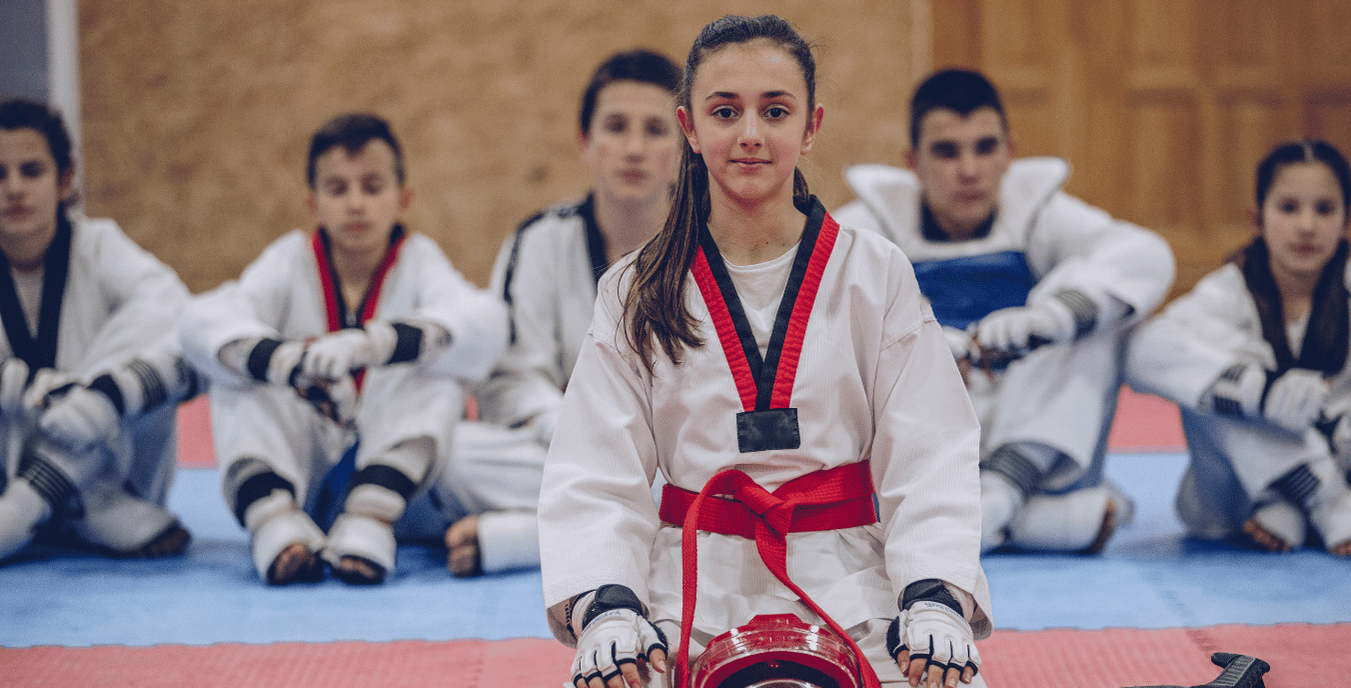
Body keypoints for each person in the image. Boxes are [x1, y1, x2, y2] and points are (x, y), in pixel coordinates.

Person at [539, 15, 990, 688]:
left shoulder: (873, 271)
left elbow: (930, 451)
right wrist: (608, 606)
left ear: (811, 128)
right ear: (689, 127)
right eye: (725, 111)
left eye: (774, 111)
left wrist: (932, 595)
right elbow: (594, 469)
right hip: (688, 590)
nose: (750, 134)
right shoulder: (635, 289)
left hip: (853, 582)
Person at [833, 68, 1175, 554]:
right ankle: (1032, 521)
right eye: (947, 151)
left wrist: (1050, 319)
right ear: (913, 162)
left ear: (1010, 153)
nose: (969, 170)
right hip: (926, 444)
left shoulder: (1038, 212)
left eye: (985, 148)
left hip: (1034, 430)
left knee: (1098, 313)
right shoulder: (868, 225)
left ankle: (995, 497)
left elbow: (1147, 255)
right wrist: (918, 339)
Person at [180, 113, 507, 585]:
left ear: (403, 199)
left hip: (397, 490)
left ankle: (369, 517)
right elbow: (200, 320)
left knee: (437, 369)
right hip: (300, 480)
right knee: (236, 370)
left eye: (372, 187)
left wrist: (378, 344)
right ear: (312, 203)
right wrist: (283, 362)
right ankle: (274, 522)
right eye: (337, 189)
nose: (356, 204)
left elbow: (486, 322)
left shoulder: (419, 262)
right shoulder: (289, 260)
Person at [439, 49, 682, 577]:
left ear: (685, 146)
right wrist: (578, 432)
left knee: (721, 479)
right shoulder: (538, 242)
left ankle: (524, 539)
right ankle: (632, 534)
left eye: (656, 130)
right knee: (448, 453)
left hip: (673, 462)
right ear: (585, 145)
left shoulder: (709, 252)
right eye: (616, 127)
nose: (635, 149)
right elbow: (508, 383)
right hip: (559, 448)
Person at [1127, 139, 1351, 557]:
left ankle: (1319, 494)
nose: (1307, 226)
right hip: (1240, 504)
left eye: (1325, 209)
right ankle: (1310, 491)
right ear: (1257, 218)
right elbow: (1143, 352)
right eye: (1289, 207)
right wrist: (1263, 391)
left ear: (1349, 219)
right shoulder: (1226, 294)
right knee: (1212, 383)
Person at [0, 98, 198, 562]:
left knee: (174, 334)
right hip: (8, 459)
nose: (14, 188)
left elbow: (178, 316)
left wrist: (93, 398)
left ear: (64, 180)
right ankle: (77, 506)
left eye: (31, 171)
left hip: (107, 463)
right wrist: (32, 388)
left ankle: (45, 497)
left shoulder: (100, 247)